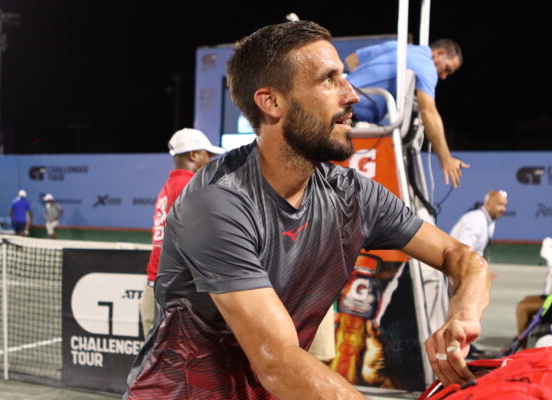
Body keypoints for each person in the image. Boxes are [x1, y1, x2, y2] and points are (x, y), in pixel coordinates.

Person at [125, 21, 491, 399]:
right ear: (271, 102)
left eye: (344, 78)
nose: (352, 95)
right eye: (329, 80)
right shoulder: (218, 201)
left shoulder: (353, 195)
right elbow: (277, 360)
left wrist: (463, 314)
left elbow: (463, 259)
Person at [345, 39, 467, 187]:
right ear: (439, 53)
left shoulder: (396, 46)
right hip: (348, 115)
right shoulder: (426, 65)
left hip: (341, 103)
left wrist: (361, 84)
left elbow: (352, 59)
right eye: (447, 69)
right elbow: (428, 111)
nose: (444, 76)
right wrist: (446, 159)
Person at [139, 128, 224, 337]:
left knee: (154, 366)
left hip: (156, 288)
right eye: (208, 155)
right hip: (177, 297)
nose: (211, 160)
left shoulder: (169, 186)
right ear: (193, 155)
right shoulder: (191, 187)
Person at [449, 190, 508, 256]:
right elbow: (463, 250)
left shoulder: (490, 223)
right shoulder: (476, 219)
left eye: (505, 205)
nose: (503, 209)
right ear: (487, 203)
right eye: (500, 204)